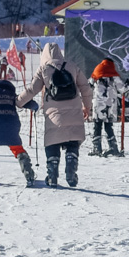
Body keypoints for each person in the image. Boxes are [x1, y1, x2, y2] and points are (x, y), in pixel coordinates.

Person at [18, 43, 89, 187]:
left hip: (53, 115)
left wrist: (18, 102)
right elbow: (85, 87)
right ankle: (71, 164)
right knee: (72, 141)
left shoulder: (43, 69)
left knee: (52, 142)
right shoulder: (72, 65)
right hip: (74, 111)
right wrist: (87, 106)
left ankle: (52, 175)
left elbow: (32, 90)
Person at [88, 58, 126, 157]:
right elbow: (122, 89)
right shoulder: (114, 75)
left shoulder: (97, 71)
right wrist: (128, 85)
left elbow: (89, 84)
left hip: (98, 104)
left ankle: (97, 148)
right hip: (110, 105)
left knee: (97, 126)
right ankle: (113, 147)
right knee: (108, 126)